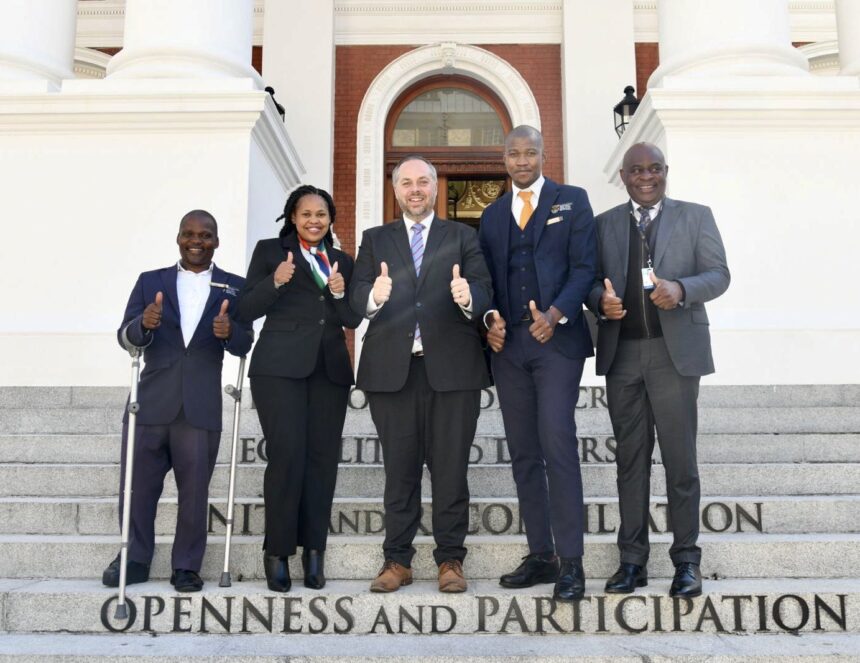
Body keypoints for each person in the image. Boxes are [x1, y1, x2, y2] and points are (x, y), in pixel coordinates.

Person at [587, 142, 730, 598]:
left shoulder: (696, 216)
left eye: (655, 169)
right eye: (636, 171)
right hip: (623, 355)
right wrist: (599, 301)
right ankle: (632, 562)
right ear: (624, 176)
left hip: (675, 357)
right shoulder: (604, 224)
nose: (646, 177)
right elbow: (588, 280)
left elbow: (719, 274)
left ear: (665, 172)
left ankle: (686, 561)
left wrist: (681, 288)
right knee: (630, 462)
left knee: (680, 462)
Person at [349, 155, 493, 594]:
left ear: (435, 189)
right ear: (395, 190)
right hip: (392, 372)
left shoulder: (464, 236)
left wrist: (470, 297)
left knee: (451, 469)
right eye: (407, 182)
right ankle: (397, 560)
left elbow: (486, 289)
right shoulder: (375, 240)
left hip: (453, 371)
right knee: (400, 470)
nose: (415, 189)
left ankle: (450, 560)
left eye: (423, 182)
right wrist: (372, 296)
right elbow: (356, 299)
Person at [102, 210, 254, 592]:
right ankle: (134, 557)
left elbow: (244, 343)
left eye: (205, 235)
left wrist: (229, 330)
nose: (196, 241)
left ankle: (186, 565)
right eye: (189, 234)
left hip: (199, 405)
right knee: (136, 487)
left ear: (217, 241)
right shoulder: (150, 281)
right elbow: (126, 336)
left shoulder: (234, 287)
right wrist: (144, 325)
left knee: (195, 492)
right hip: (151, 400)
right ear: (178, 238)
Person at [477, 125, 596, 601]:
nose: (522, 161)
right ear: (503, 159)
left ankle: (572, 563)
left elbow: (585, 267)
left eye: (530, 153)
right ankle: (541, 554)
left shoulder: (573, 200)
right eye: (513, 154)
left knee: (557, 444)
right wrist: (489, 318)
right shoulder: (490, 214)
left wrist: (557, 312)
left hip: (557, 343)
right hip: (509, 349)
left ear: (544, 155)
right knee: (524, 452)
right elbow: (483, 277)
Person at [238, 185, 362, 592]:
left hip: (329, 371)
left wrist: (342, 293)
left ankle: (314, 553)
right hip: (279, 369)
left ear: (330, 219)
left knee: (322, 462)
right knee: (288, 456)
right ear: (293, 216)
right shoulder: (270, 252)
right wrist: (274, 282)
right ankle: (277, 553)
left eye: (321, 215)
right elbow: (244, 309)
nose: (314, 221)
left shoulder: (341, 260)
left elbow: (351, 320)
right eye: (306, 213)